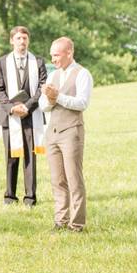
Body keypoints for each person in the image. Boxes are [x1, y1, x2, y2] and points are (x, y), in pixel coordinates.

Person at [39, 37, 91, 232]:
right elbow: (43, 105)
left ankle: (77, 223)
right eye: (52, 55)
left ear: (69, 52)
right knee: (57, 179)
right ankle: (60, 220)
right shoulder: (53, 76)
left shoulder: (82, 74)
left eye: (57, 55)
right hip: (52, 132)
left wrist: (57, 97)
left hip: (72, 131)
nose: (53, 59)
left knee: (73, 178)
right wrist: (51, 100)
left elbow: (82, 103)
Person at [0, 26, 47, 207]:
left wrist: (28, 107)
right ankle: (9, 196)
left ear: (28, 40)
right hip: (10, 117)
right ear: (12, 41)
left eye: (24, 38)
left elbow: (42, 88)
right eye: (18, 38)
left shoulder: (38, 62)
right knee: (11, 156)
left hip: (32, 116)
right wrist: (12, 108)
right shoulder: (2, 62)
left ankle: (30, 197)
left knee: (30, 157)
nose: (22, 42)